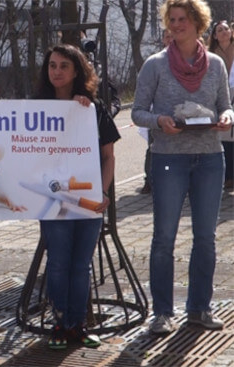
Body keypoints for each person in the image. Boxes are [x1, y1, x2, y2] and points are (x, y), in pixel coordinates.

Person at [132, 0, 233, 335]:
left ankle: (199, 309)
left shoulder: (216, 64)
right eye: (172, 19)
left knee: (205, 237)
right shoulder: (155, 65)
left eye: (183, 19)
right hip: (168, 159)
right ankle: (161, 312)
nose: (176, 25)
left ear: (198, 23)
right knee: (164, 237)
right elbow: (137, 113)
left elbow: (227, 107)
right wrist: (160, 121)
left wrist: (226, 118)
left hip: (209, 158)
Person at [33, 44, 120, 350]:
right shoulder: (35, 108)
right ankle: (59, 323)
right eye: (52, 65)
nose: (56, 71)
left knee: (82, 265)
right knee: (58, 263)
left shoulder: (92, 109)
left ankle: (78, 325)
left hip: (88, 201)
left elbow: (109, 157)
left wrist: (103, 192)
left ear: (77, 71)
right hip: (52, 200)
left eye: (64, 66)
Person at [140, 29, 174, 195]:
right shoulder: (155, 62)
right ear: (163, 40)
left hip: (179, 118)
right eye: (167, 37)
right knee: (152, 148)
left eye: (172, 36)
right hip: (157, 116)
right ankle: (150, 180)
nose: (170, 39)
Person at [208, 20, 234, 190]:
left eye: (226, 29)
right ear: (215, 36)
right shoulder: (211, 54)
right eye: (220, 30)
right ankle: (229, 176)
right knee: (225, 135)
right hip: (221, 95)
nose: (224, 32)